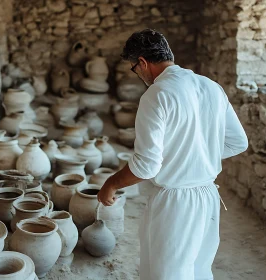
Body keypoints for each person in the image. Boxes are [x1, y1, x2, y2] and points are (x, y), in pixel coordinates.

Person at [97, 29, 249, 280]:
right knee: (198, 270)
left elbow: (146, 166)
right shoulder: (210, 86)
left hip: (176, 204)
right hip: (207, 196)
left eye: (135, 68)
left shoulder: (157, 94)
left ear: (143, 63)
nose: (138, 75)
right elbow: (238, 142)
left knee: (167, 274)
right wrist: (196, 154)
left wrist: (111, 184)